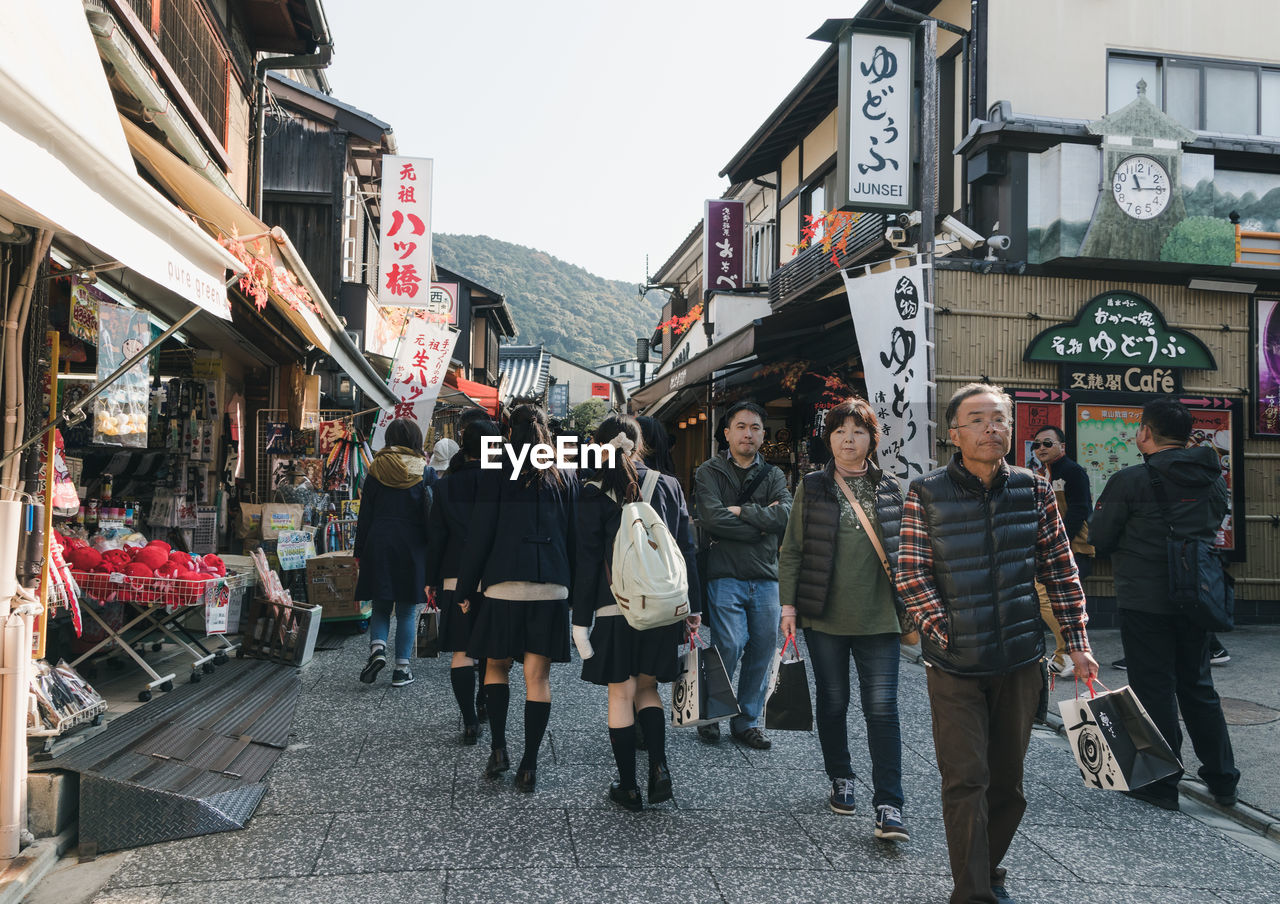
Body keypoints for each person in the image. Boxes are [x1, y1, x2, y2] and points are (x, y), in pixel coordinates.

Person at [895, 383, 1097, 904]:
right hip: (955, 665)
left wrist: (1077, 642)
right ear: (954, 433)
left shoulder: (1034, 489)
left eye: (1000, 419)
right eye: (978, 419)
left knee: (1008, 784)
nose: (991, 428)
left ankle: (987, 868)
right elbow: (912, 575)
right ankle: (973, 891)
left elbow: (1060, 569)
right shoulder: (927, 491)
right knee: (966, 780)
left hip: (1020, 660)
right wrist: (947, 632)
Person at [1089, 397, 1240, 811]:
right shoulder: (1212, 477)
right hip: (1198, 594)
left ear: (1146, 433)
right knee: (1198, 685)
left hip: (1145, 596)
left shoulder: (1133, 479)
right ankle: (1223, 781)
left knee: (1153, 688)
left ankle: (1160, 784)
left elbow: (1100, 536)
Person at [777, 397, 907, 838]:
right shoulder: (812, 486)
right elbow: (792, 550)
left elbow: (908, 555)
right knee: (834, 701)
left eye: (858, 431)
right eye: (839, 431)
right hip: (824, 616)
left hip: (880, 618)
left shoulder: (893, 488)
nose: (848, 439)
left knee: (883, 708)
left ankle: (890, 803)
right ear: (828, 437)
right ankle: (841, 776)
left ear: (873, 438)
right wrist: (788, 607)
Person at [573, 415, 702, 810]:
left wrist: (580, 620)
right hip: (663, 607)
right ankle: (659, 768)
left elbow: (587, 559)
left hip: (614, 607)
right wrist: (692, 607)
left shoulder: (592, 491)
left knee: (620, 693)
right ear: (639, 444)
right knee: (648, 689)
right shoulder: (668, 485)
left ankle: (628, 787)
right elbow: (685, 548)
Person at [456, 404, 578, 792]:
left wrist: (464, 589)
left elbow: (479, 536)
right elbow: (576, 539)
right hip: (552, 585)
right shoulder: (566, 476)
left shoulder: (495, 474)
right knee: (537, 677)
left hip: (502, 584)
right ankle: (529, 765)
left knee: (496, 666)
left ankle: (498, 749)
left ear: (510, 434)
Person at [693, 400, 791, 750]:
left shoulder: (775, 475)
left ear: (763, 434)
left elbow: (787, 517)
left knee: (763, 649)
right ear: (726, 432)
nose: (748, 433)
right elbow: (712, 518)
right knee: (729, 645)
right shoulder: (708, 472)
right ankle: (711, 712)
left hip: (766, 576)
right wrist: (760, 522)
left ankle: (746, 721)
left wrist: (742, 512)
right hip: (724, 573)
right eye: (741, 426)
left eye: (755, 427)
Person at [425, 419, 501, 744]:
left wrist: (430, 580)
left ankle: (469, 721)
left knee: (461, 648)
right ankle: (484, 700)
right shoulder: (502, 482)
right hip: (494, 576)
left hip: (455, 575)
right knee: (489, 648)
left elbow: (436, 538)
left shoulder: (445, 486)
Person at [353, 418, 438, 688]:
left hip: (378, 540)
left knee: (380, 604)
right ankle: (402, 669)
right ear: (416, 440)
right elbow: (432, 516)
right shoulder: (425, 471)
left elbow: (364, 514)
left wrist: (359, 550)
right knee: (405, 610)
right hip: (412, 545)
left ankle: (377, 650)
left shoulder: (375, 468)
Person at [1029, 425, 1094, 678]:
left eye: (1047, 443)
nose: (1041, 448)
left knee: (1048, 598)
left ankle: (1069, 653)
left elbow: (1080, 509)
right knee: (1051, 600)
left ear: (1062, 447)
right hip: (1049, 547)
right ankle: (1062, 655)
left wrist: (1059, 540)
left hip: (1071, 547)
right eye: (1037, 444)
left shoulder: (1072, 471)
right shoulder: (1044, 472)